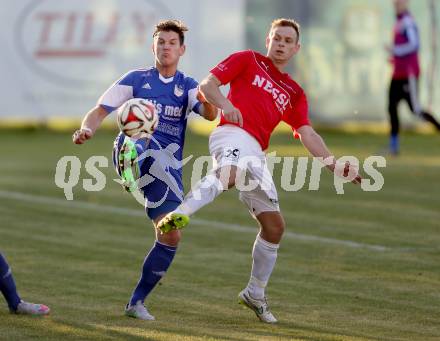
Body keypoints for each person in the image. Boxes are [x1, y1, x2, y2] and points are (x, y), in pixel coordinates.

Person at [158, 18, 362, 323]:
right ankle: (178, 215)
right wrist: (226, 105)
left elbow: (308, 133)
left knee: (274, 227)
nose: (281, 44)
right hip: (231, 134)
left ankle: (254, 293)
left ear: (296, 48)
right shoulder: (247, 60)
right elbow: (207, 85)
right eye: (277, 38)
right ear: (268, 39)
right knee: (228, 173)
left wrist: (333, 164)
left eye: (287, 40)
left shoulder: (294, 92)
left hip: (256, 153)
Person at [73, 20, 217, 320]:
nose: (165, 47)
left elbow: (209, 114)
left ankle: (136, 303)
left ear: (182, 49)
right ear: (153, 46)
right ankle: (129, 165)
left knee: (171, 234)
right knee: (142, 139)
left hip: (166, 167)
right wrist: (87, 129)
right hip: (131, 148)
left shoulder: (188, 86)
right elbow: (100, 110)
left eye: (171, 43)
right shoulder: (136, 79)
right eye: (160, 42)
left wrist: (208, 95)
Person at [385, 0, 440, 155]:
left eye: (399, 2)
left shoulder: (407, 21)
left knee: (415, 109)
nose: (396, 4)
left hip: (408, 74)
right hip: (397, 73)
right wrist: (394, 58)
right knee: (391, 107)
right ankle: (393, 144)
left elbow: (414, 44)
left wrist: (395, 50)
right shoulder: (399, 21)